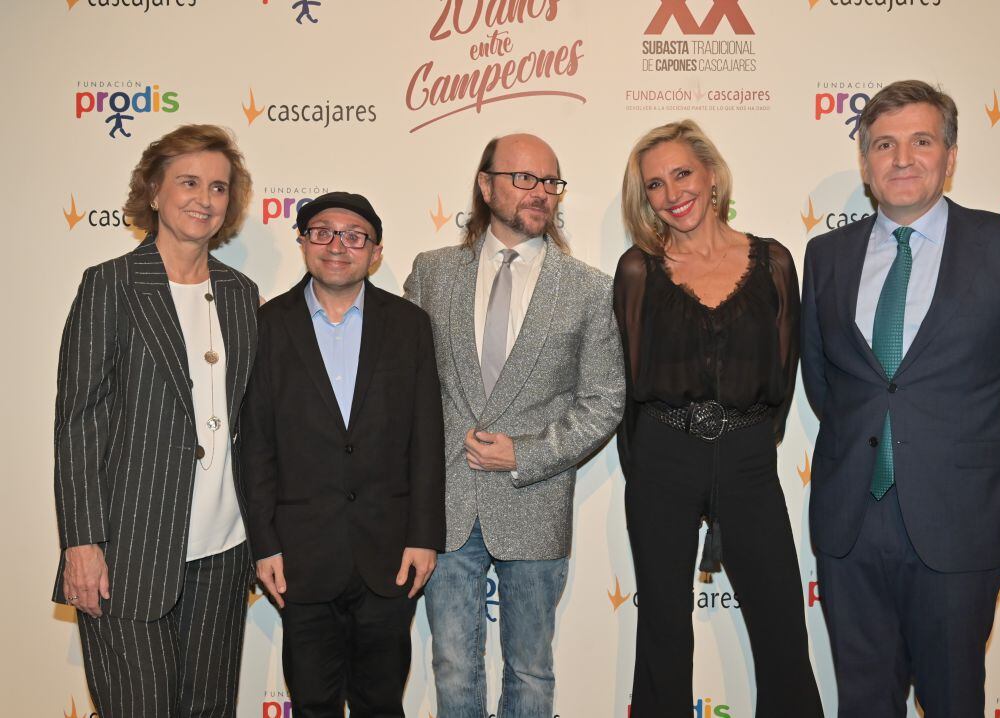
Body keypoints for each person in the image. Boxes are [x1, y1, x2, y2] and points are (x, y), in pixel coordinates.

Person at [801, 80, 1000, 717]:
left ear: (950, 155)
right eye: (884, 144)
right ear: (865, 162)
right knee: (864, 703)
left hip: (962, 519)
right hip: (851, 520)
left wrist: (982, 462)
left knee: (952, 700)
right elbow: (824, 381)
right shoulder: (825, 256)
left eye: (921, 142)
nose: (902, 159)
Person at [403, 133, 624, 717]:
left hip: (536, 500)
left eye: (550, 182)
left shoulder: (589, 289)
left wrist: (524, 454)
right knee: (452, 665)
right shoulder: (432, 274)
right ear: (486, 185)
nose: (540, 193)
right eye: (524, 178)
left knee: (530, 669)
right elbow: (404, 387)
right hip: (446, 505)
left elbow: (604, 400)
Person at [614, 119, 824, 718]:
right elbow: (629, 384)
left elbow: (784, 379)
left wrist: (743, 441)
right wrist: (660, 463)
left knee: (782, 619)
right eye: (654, 184)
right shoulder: (637, 271)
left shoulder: (775, 262)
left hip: (749, 457)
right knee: (662, 627)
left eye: (682, 173)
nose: (672, 192)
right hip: (662, 456)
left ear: (712, 176)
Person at [53, 124, 259, 718]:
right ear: (153, 190)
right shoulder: (110, 285)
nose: (204, 198)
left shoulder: (243, 295)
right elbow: (78, 423)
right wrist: (81, 543)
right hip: (128, 551)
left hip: (223, 553)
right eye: (188, 182)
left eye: (218, 187)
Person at [240, 192, 445, 718]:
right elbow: (256, 443)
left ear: (375, 252)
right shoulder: (266, 326)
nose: (338, 245)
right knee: (313, 703)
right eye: (323, 231)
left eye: (355, 236)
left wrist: (424, 536)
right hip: (299, 558)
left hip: (389, 554)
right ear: (304, 242)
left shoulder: (409, 325)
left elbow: (426, 437)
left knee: (381, 703)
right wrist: (264, 543)